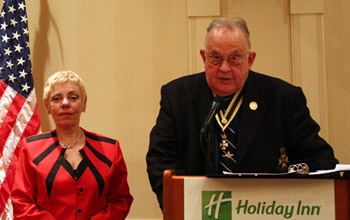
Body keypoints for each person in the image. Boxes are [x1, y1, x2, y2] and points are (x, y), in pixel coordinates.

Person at [146, 17, 338, 209]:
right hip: (200, 211)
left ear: (250, 59)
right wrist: (181, 206)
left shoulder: (284, 99)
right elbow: (160, 159)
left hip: (265, 210)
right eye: (215, 57)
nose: (224, 68)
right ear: (204, 57)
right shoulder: (177, 96)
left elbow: (319, 158)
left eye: (234, 58)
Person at [11, 71, 133, 219]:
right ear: (47, 106)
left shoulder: (110, 149)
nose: (65, 103)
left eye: (73, 97)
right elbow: (21, 203)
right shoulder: (30, 149)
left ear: (84, 103)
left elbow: (121, 201)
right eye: (57, 98)